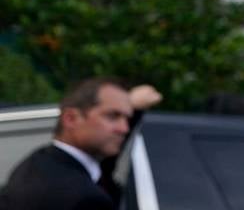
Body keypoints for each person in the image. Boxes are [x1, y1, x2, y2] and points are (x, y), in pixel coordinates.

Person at [0, 77, 161, 210]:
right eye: (113, 116)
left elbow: (104, 171)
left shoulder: (39, 161)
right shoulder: (85, 199)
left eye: (126, 118)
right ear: (71, 118)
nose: (124, 128)